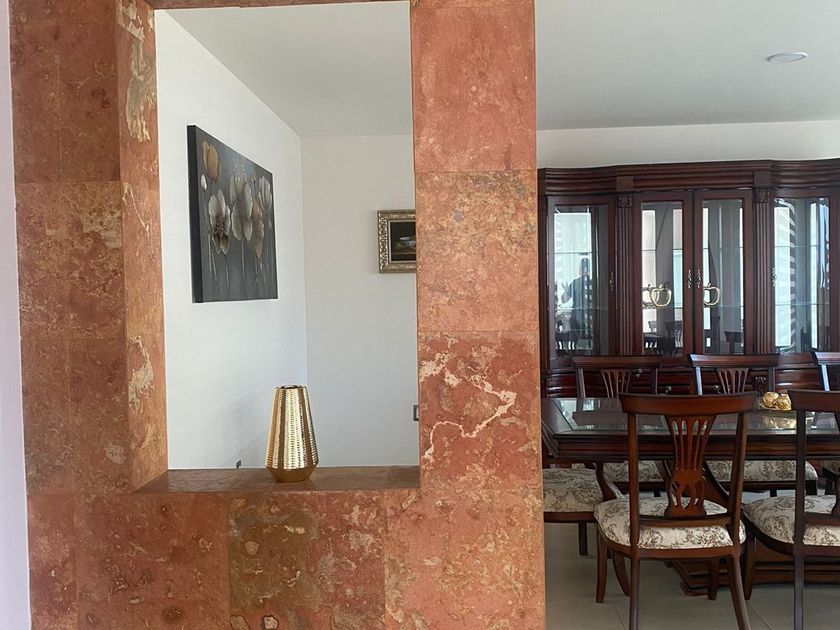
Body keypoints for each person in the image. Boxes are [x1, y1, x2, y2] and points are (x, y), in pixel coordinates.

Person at [560, 258, 593, 345]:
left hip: (577, 318)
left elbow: (564, 300)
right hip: (591, 318)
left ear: (581, 269)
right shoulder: (595, 282)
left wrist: (566, 291)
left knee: (576, 342)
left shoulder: (575, 283)